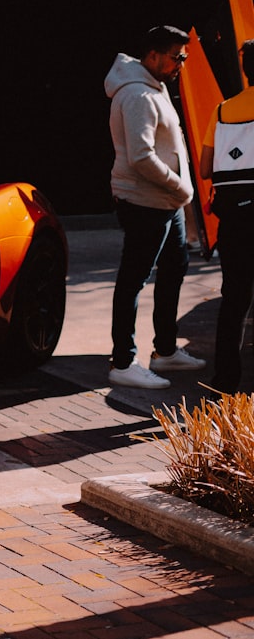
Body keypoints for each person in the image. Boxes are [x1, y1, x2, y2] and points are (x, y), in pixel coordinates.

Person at [105, 25, 207, 389]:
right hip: (145, 201)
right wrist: (182, 187)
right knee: (134, 279)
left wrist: (178, 195)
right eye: (176, 56)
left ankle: (165, 351)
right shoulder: (137, 96)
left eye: (184, 56)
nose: (181, 63)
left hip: (166, 202)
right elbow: (141, 157)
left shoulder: (155, 88)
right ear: (152, 55)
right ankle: (122, 363)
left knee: (173, 270)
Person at [199, 39, 254, 394]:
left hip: (235, 219)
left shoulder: (221, 111)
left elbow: (206, 169)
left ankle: (225, 382)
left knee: (234, 299)